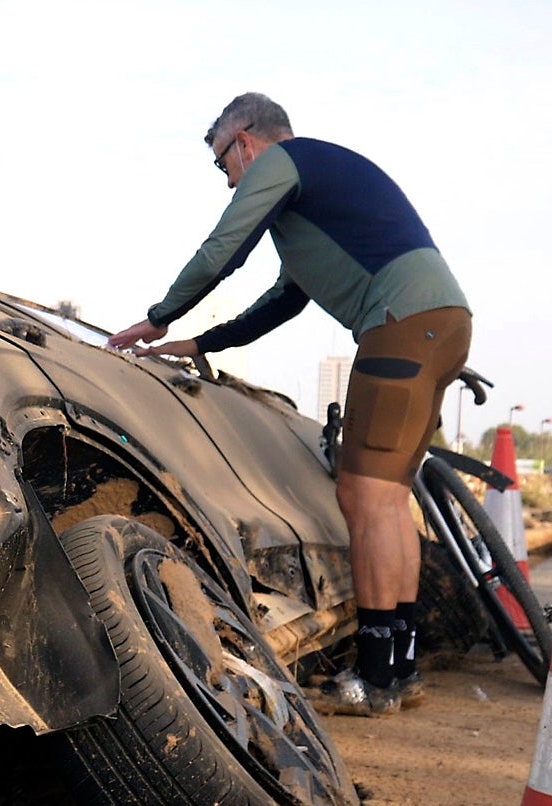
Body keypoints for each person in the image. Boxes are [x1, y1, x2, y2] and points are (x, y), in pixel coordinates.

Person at [107, 92, 471, 717]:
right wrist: (199, 342)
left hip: (403, 325)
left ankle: (374, 678)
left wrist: (157, 318)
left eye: (224, 165)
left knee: (365, 499)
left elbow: (225, 248)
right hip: (442, 323)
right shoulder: (317, 202)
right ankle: (399, 671)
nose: (228, 182)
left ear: (245, 142)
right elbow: (282, 302)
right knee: (389, 500)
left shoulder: (284, 164)